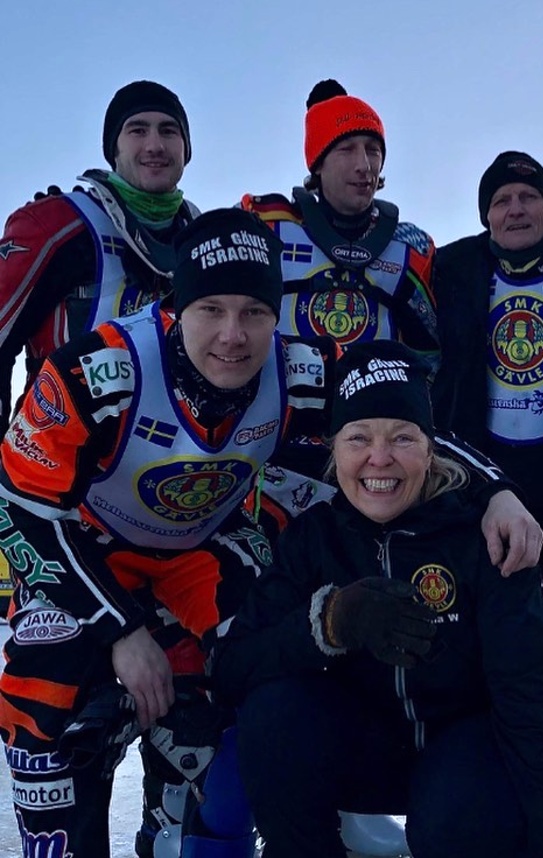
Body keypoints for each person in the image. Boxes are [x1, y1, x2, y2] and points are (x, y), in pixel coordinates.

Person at [0, 207, 333, 858]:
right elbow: (18, 508)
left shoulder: (303, 368)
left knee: (262, 673)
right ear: (177, 307)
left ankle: (188, 827)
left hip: (202, 551)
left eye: (254, 312)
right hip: (84, 550)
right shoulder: (98, 369)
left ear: (277, 316)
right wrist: (119, 630)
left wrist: (493, 494)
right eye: (211, 309)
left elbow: (405, 417)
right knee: (45, 696)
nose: (233, 336)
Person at [212, 339, 543, 858]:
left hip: (464, 754)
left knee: (457, 818)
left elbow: (534, 697)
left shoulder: (483, 538)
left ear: (431, 448)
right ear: (333, 448)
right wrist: (329, 624)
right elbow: (233, 666)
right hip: (362, 748)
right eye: (358, 438)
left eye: (402, 437)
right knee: (273, 714)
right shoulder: (313, 540)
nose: (380, 458)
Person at [0, 79, 199, 855]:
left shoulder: (206, 241)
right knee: (54, 728)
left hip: (176, 524)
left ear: (187, 149)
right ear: (113, 146)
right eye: (137, 129)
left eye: (168, 131)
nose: (154, 144)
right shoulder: (60, 225)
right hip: (62, 521)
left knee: (189, 725)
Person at [432, 150, 543, 683]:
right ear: (486, 216)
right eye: (501, 200)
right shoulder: (455, 268)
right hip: (489, 467)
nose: (515, 209)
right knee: (496, 604)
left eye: (529, 197)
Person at [241, 79, 439, 377]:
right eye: (346, 149)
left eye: (373, 150)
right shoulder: (265, 226)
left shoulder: (411, 247)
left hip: (376, 404)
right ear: (318, 164)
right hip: (280, 401)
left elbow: (432, 356)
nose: (364, 165)